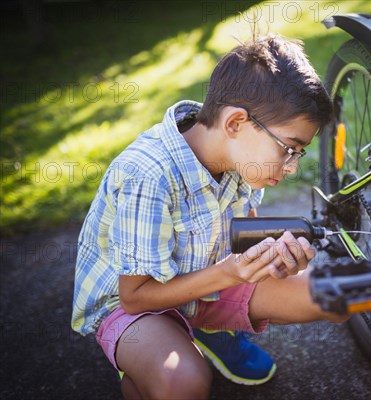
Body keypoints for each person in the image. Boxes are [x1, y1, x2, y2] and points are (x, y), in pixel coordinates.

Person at [71, 33, 346, 399]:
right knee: (182, 382)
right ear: (235, 123)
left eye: (299, 153)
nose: (292, 167)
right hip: (133, 307)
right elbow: (134, 297)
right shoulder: (148, 174)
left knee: (338, 296)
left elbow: (242, 233)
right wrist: (231, 272)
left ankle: (210, 330)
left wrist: (271, 259)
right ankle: (153, 363)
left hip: (208, 281)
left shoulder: (242, 157)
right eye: (289, 149)